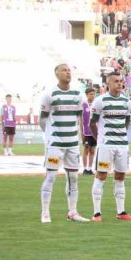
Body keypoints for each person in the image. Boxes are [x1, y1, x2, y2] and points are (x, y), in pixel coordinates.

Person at [38, 65, 89, 223]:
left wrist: (81, 137)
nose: (68, 72)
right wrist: (49, 137)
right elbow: (42, 120)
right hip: (55, 144)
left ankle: (72, 212)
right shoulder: (49, 94)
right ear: (56, 74)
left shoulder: (78, 95)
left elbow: (80, 119)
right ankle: (45, 213)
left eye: (69, 70)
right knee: (51, 175)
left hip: (73, 144)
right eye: (64, 70)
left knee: (73, 177)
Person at [89, 71, 131, 222]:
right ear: (108, 84)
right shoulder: (100, 101)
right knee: (101, 175)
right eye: (116, 81)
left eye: (121, 81)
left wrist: (120, 135)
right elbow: (92, 124)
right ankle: (97, 213)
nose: (120, 84)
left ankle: (121, 212)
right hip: (106, 146)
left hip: (122, 145)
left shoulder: (127, 102)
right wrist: (100, 139)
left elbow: (126, 122)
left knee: (120, 176)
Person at [81, 87, 96, 173]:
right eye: (91, 94)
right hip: (86, 131)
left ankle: (90, 168)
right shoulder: (83, 105)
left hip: (94, 131)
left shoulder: (96, 104)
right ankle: (84, 168)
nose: (92, 96)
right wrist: (81, 132)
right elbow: (81, 119)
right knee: (86, 149)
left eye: (93, 94)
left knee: (92, 150)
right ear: (87, 95)